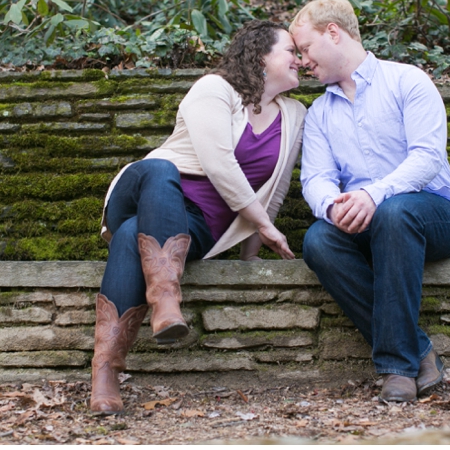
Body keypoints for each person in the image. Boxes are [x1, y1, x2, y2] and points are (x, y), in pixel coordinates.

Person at [91, 20, 306, 414]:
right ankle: (166, 301)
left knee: (128, 236)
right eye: (291, 51)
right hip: (145, 188)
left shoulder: (295, 115)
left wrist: (250, 256)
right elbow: (219, 163)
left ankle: (105, 372)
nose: (300, 59)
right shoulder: (214, 88)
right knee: (160, 172)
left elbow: (273, 193)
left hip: (196, 228)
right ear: (261, 56)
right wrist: (264, 225)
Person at [291, 0, 450, 403]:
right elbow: (317, 178)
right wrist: (333, 206)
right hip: (371, 221)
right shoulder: (319, 112)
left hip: (435, 212)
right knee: (318, 240)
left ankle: (397, 367)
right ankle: (421, 351)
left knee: (394, 210)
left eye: (305, 48)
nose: (302, 61)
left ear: (333, 33)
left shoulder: (408, 81)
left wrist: (374, 192)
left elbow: (427, 158)